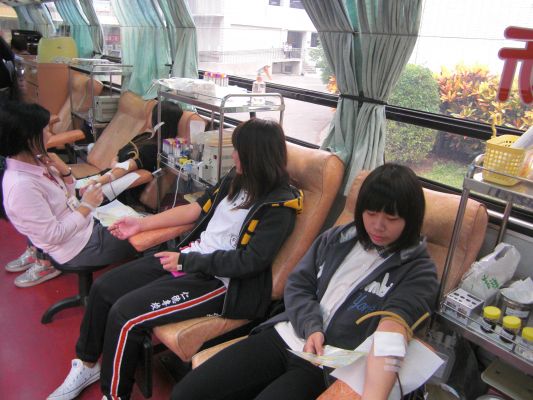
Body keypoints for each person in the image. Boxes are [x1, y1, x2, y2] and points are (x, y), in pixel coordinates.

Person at [48, 118, 303, 400]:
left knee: (126, 315)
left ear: (256, 156)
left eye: (238, 151)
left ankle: (114, 395)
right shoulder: (237, 178)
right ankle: (86, 364)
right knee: (103, 288)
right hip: (190, 258)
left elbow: (249, 262)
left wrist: (187, 262)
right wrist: (141, 224)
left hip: (220, 282)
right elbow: (196, 209)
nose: (234, 156)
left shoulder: (280, 206)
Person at [171, 163, 439, 400]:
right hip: (288, 334)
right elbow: (299, 284)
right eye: (371, 214)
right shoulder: (338, 238)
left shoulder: (418, 271)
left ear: (410, 220)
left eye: (391, 219)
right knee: (187, 392)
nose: (378, 226)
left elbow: (392, 332)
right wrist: (312, 327)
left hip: (327, 362)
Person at [0, 101, 137, 287]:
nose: (50, 135)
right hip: (78, 247)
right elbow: (53, 235)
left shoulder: (37, 163)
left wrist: (65, 172)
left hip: (84, 229)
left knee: (138, 224)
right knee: (147, 235)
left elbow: (66, 197)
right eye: (46, 130)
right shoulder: (21, 187)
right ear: (29, 138)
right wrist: (86, 206)